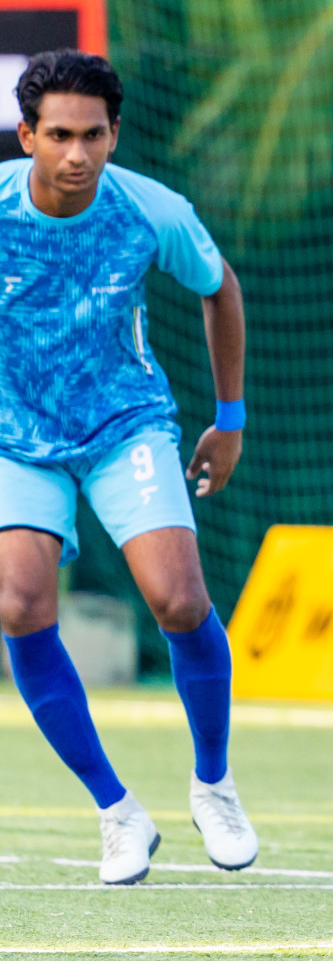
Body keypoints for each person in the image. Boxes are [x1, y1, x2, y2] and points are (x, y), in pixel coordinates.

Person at [0, 51, 257, 884]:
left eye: (93, 135)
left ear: (115, 135)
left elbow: (220, 288)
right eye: (59, 136)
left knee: (178, 598)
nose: (76, 153)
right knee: (18, 606)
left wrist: (228, 421)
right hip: (14, 437)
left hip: (125, 427)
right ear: (27, 135)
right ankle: (116, 811)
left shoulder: (152, 210)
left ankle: (214, 784)